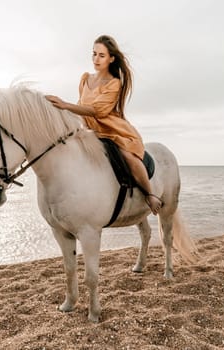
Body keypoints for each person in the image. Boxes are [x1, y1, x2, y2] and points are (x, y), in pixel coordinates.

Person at [45, 35, 163, 215]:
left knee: (128, 157)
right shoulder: (85, 78)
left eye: (101, 55)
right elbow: (82, 104)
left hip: (111, 129)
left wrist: (65, 105)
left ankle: (150, 194)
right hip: (88, 128)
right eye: (94, 54)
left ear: (111, 58)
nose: (96, 59)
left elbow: (97, 110)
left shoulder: (114, 83)